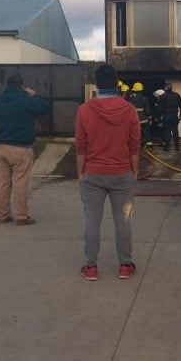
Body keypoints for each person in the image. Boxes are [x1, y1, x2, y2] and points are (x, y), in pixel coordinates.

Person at [75, 64, 141, 281]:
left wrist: (81, 173)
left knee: (92, 221)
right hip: (122, 173)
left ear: (96, 84)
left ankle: (91, 267)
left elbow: (81, 146)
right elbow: (134, 145)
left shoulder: (84, 110)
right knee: (123, 221)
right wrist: (134, 173)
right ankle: (124, 266)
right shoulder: (129, 110)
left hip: (92, 174)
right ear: (116, 83)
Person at [0, 73, 50, 225]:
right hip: (22, 147)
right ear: (21, 86)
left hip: (1, 146)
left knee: (2, 183)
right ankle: (21, 216)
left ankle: (3, 215)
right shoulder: (27, 100)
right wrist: (34, 95)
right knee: (20, 183)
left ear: (7, 84)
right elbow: (46, 109)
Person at [158, 82, 181, 152]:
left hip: (166, 116)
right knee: (175, 131)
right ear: (171, 87)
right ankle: (177, 147)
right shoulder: (176, 95)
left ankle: (167, 148)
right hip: (174, 116)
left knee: (167, 132)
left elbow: (159, 108)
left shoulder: (162, 96)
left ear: (165, 88)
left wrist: (160, 116)